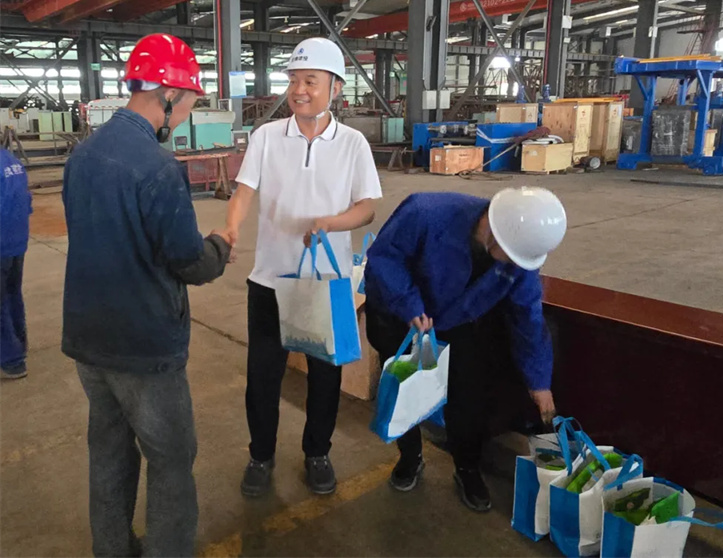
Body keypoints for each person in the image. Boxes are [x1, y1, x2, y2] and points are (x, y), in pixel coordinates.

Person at [62, 34, 232, 557]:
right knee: (172, 459)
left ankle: (112, 549)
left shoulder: (83, 155)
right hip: (143, 346)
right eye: (190, 103)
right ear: (168, 95)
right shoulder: (157, 167)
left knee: (109, 453)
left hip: (89, 340)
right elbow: (186, 261)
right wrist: (220, 246)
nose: (186, 115)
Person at [221, 37, 382, 497]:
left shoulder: (352, 144)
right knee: (263, 375)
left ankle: (317, 453)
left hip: (327, 282)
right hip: (270, 281)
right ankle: (260, 455)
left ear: (335, 87)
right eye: (293, 80)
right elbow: (244, 192)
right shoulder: (267, 137)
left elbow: (367, 207)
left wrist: (330, 223)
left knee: (325, 375)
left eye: (310, 80)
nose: (299, 90)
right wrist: (231, 228)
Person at [363, 187, 567, 512]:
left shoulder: (519, 258)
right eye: (512, 257)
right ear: (494, 234)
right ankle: (410, 456)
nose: (515, 265)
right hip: (398, 315)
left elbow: (527, 318)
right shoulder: (425, 213)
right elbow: (384, 260)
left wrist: (539, 381)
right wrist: (408, 304)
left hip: (454, 320)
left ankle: (467, 468)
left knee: (468, 396)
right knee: (405, 391)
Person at [1, 148, 32, 380]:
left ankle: (11, 360)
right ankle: (19, 345)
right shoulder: (10, 160)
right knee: (12, 295)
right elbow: (26, 200)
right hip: (16, 241)